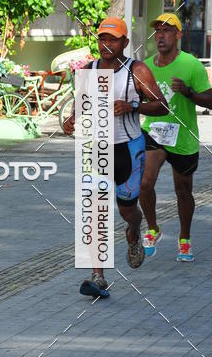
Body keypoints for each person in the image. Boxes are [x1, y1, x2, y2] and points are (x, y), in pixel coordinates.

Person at [63, 17, 169, 298]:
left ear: (124, 42)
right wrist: (71, 120)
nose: (106, 44)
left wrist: (133, 105)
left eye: (112, 39)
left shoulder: (137, 71)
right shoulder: (89, 70)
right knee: (96, 211)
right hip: (96, 149)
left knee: (126, 210)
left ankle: (134, 230)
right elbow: (80, 107)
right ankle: (98, 277)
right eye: (102, 39)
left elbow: (162, 106)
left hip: (129, 150)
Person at [139, 13, 212, 262]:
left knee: (183, 191)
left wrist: (189, 92)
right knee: (144, 183)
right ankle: (153, 229)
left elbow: (210, 100)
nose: (161, 35)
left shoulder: (191, 65)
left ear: (178, 35)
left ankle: (184, 238)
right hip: (154, 131)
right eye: (158, 30)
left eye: (167, 30)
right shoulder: (145, 66)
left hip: (183, 136)